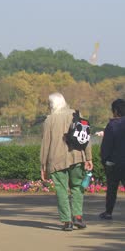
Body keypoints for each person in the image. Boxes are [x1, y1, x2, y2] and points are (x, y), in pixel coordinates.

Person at [40, 92, 94, 231]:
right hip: (76, 157)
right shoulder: (76, 114)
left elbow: (45, 144)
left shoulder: (49, 120)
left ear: (52, 104)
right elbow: (85, 137)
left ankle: (67, 221)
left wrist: (43, 165)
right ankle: (78, 217)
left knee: (61, 190)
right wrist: (88, 158)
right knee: (77, 187)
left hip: (56, 159)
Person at [99, 99, 125, 220]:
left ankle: (108, 212)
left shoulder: (112, 125)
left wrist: (104, 160)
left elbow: (106, 146)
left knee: (112, 189)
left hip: (114, 163)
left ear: (115, 111)